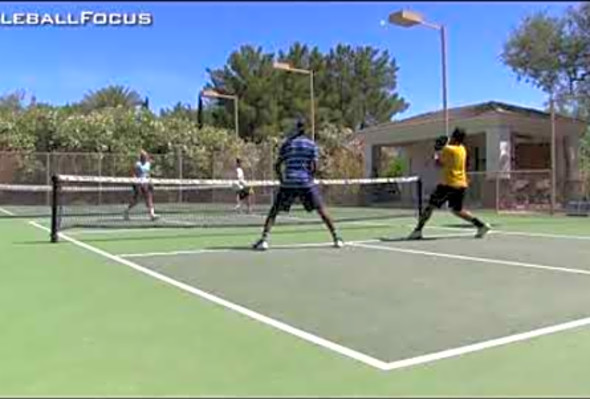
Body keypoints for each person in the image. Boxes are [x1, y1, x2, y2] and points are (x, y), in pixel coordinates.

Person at [252, 119, 343, 250]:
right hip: (306, 183)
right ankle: (336, 238)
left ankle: (264, 240)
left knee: (274, 212)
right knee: (321, 210)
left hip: (288, 184)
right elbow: (315, 165)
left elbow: (277, 165)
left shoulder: (287, 145)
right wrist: (310, 177)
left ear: (295, 129)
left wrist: (282, 179)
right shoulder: (311, 145)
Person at [408, 127, 490, 239]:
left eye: (453, 135)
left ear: (455, 137)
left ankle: (418, 231)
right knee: (457, 210)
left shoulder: (449, 149)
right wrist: (443, 147)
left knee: (429, 207)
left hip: (449, 184)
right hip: (461, 184)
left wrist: (437, 151)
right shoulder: (462, 149)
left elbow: (438, 164)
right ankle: (481, 225)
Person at [124, 150, 158, 221]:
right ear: (141, 157)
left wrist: (150, 181)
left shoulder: (148, 164)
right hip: (138, 184)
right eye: (143, 156)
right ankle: (126, 211)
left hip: (146, 183)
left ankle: (152, 215)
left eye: (145, 156)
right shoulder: (137, 164)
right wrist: (136, 181)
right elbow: (133, 173)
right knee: (136, 200)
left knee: (149, 198)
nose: (145, 157)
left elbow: (148, 174)